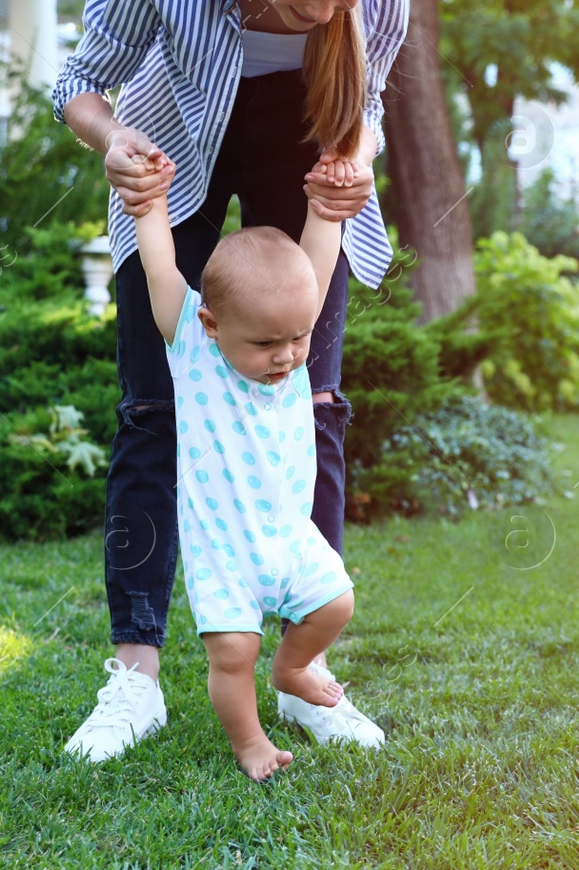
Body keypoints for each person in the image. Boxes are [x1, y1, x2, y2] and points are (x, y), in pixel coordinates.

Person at [51, 0, 409, 762]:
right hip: (173, 156)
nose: (328, 9)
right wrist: (116, 142)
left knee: (313, 395)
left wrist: (353, 170)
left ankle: (301, 669)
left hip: (304, 145)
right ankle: (135, 676)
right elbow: (79, 85)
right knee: (150, 408)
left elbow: (366, 107)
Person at [130, 147, 357, 779]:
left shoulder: (288, 350)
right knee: (232, 653)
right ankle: (251, 742)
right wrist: (150, 206)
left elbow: (318, 259)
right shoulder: (191, 349)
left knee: (336, 602)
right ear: (210, 323)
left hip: (288, 537)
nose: (286, 357)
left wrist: (323, 205)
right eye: (264, 343)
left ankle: (291, 668)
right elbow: (160, 271)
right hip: (223, 551)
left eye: (298, 338)